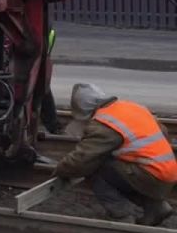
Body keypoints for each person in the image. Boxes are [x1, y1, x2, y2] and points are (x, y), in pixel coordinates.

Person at [55, 83, 177, 225]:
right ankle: (156, 208)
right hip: (168, 172)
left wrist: (60, 170)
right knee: (119, 171)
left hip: (151, 176)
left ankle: (122, 216)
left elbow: (82, 160)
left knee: (96, 168)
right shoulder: (131, 107)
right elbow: (163, 133)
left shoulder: (104, 123)